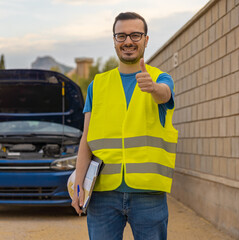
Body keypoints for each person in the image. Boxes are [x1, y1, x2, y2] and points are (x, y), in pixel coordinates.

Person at [71, 12, 178, 240]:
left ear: (146, 40)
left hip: (148, 195)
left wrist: (153, 88)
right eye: (121, 36)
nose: (128, 41)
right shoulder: (97, 85)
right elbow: (86, 138)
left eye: (135, 35)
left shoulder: (160, 78)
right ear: (114, 40)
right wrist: (78, 183)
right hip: (103, 194)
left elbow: (165, 95)